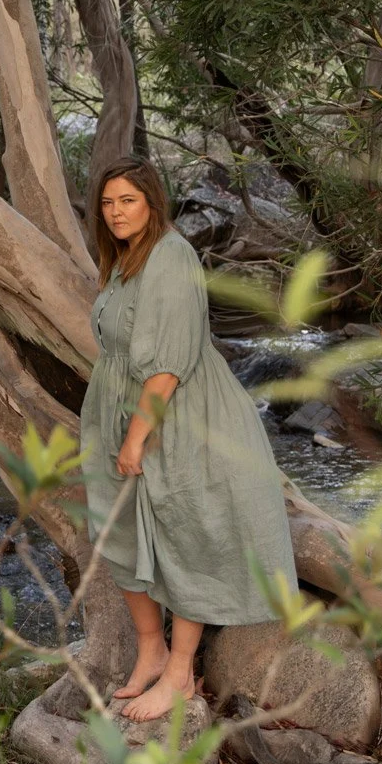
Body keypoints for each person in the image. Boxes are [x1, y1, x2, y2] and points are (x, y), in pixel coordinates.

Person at [81, 156, 298, 721]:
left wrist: (135, 438)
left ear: (153, 201)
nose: (115, 212)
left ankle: (180, 674)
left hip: (176, 415)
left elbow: (167, 368)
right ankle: (151, 649)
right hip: (119, 409)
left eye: (127, 200)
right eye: (107, 203)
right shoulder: (126, 258)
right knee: (117, 526)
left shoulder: (172, 258)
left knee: (186, 531)